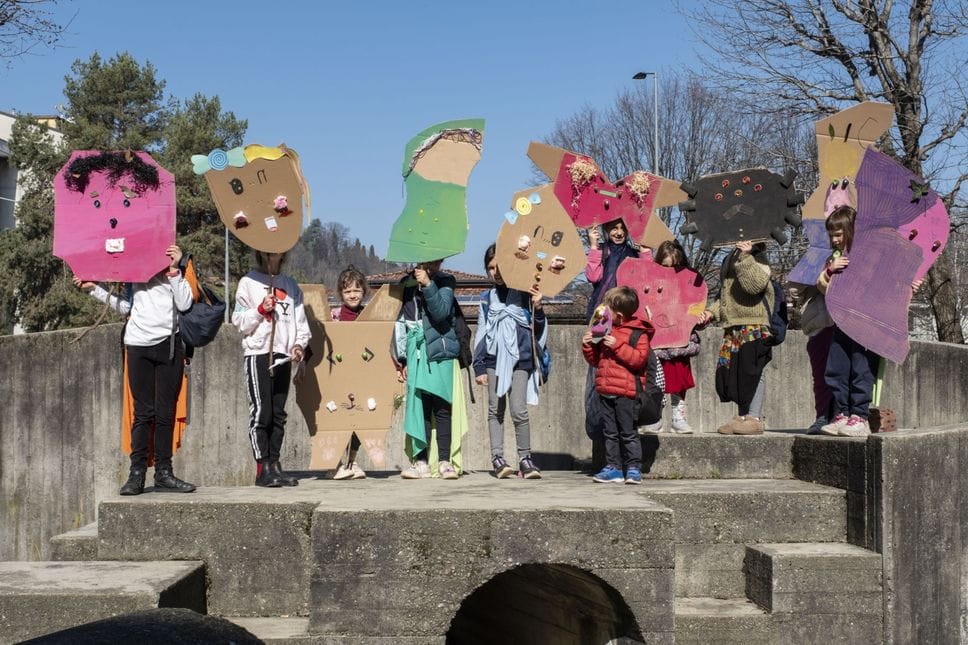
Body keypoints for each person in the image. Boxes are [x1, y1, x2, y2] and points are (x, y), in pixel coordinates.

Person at [75, 244, 196, 495]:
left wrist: (174, 269)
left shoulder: (177, 265)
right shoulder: (132, 266)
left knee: (166, 413)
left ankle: (164, 473)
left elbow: (185, 305)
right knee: (143, 413)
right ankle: (137, 474)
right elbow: (126, 307)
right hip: (138, 344)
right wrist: (94, 290)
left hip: (170, 345)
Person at [233, 251, 310, 487]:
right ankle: (262, 468)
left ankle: (275, 464)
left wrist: (298, 345)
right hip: (259, 354)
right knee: (261, 412)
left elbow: (301, 322)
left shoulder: (291, 286)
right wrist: (259, 310)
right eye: (267, 250)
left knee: (278, 414)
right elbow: (239, 321)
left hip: (283, 356)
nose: (272, 254)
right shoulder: (248, 282)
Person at [472, 244, 546, 480]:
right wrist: (479, 366)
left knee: (519, 410)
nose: (496, 272)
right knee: (495, 410)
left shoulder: (525, 294)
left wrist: (539, 308)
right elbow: (482, 333)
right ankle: (498, 458)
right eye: (491, 268)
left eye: (499, 265)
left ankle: (525, 459)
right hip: (493, 360)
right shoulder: (486, 299)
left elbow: (538, 327)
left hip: (521, 360)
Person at [392, 259, 463, 480]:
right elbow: (399, 321)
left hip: (440, 351)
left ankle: (444, 461)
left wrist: (429, 284)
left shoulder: (445, 281)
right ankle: (419, 460)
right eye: (427, 261)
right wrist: (400, 358)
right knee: (418, 407)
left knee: (442, 407)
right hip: (416, 352)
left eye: (436, 260)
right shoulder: (405, 284)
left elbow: (441, 312)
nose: (432, 264)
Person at [582, 286, 653, 485]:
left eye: (608, 308)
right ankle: (613, 467)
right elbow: (596, 361)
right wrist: (588, 344)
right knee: (609, 432)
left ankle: (633, 468)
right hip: (605, 390)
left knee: (628, 432)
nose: (603, 310)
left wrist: (618, 346)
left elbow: (639, 360)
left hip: (626, 392)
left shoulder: (639, 333)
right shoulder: (605, 328)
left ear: (619, 315)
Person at [816, 207, 877, 437]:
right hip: (841, 321)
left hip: (865, 321)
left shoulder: (866, 254)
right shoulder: (834, 258)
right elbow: (823, 288)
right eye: (831, 234)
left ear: (851, 230)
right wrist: (830, 271)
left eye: (839, 233)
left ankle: (860, 416)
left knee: (861, 367)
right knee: (837, 367)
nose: (835, 239)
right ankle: (841, 412)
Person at [702, 240, 774, 435]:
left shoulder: (758, 257)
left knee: (754, 370)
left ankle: (754, 417)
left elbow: (755, 285)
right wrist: (711, 313)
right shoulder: (729, 258)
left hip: (754, 322)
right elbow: (724, 295)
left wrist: (746, 256)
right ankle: (742, 416)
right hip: (733, 325)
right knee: (734, 372)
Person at [641, 240, 702, 434]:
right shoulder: (651, 284)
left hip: (680, 341)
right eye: (665, 266)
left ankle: (679, 417)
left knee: (679, 379)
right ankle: (654, 417)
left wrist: (702, 317)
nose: (670, 271)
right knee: (656, 380)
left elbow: (697, 307)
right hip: (657, 342)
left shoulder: (689, 284)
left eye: (675, 267)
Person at [331, 266, 368, 480]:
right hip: (338, 378)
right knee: (339, 420)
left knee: (360, 421)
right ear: (340, 293)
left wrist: (396, 367)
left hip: (363, 377)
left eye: (357, 290)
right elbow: (320, 343)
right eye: (347, 291)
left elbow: (378, 347)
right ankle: (334, 463)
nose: (353, 294)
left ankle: (352, 461)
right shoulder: (334, 316)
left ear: (363, 291)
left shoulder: (368, 316)